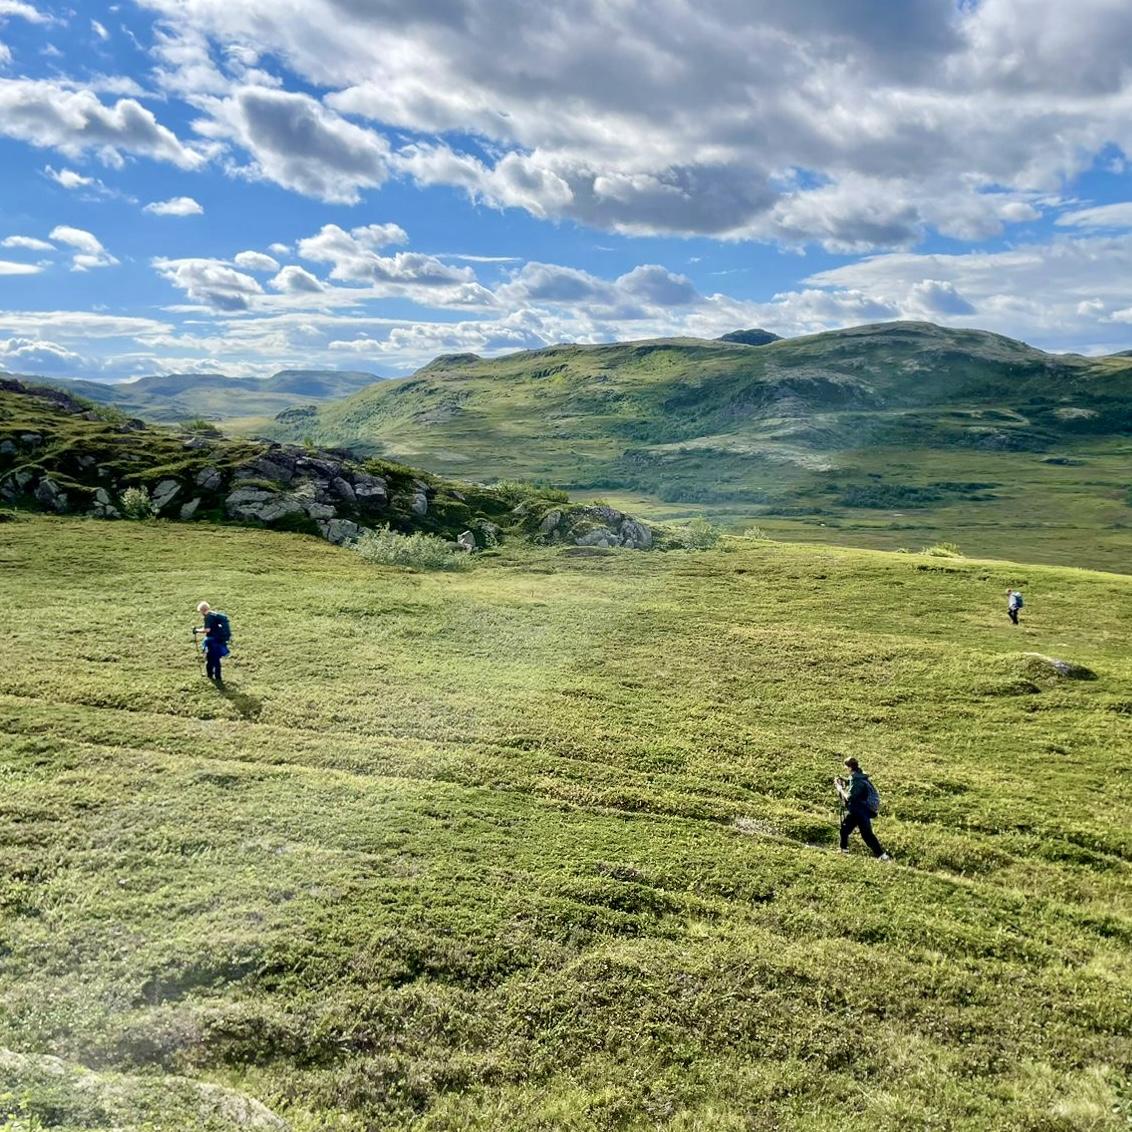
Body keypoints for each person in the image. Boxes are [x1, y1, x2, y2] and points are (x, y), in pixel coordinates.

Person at [834, 757, 891, 860]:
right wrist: (845, 781)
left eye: (846, 766)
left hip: (859, 810)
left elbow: (850, 796)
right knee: (859, 832)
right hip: (862, 810)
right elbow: (854, 784)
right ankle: (882, 856)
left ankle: (844, 850)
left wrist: (840, 789)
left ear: (850, 767)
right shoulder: (860, 776)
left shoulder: (857, 781)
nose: (845, 768)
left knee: (853, 831)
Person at [194, 600, 230, 683]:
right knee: (216, 659)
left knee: (209, 658)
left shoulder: (208, 617)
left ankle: (210, 675)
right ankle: (218, 677)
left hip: (212, 641)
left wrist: (197, 630)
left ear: (202, 610)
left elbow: (207, 629)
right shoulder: (214, 614)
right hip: (219, 639)